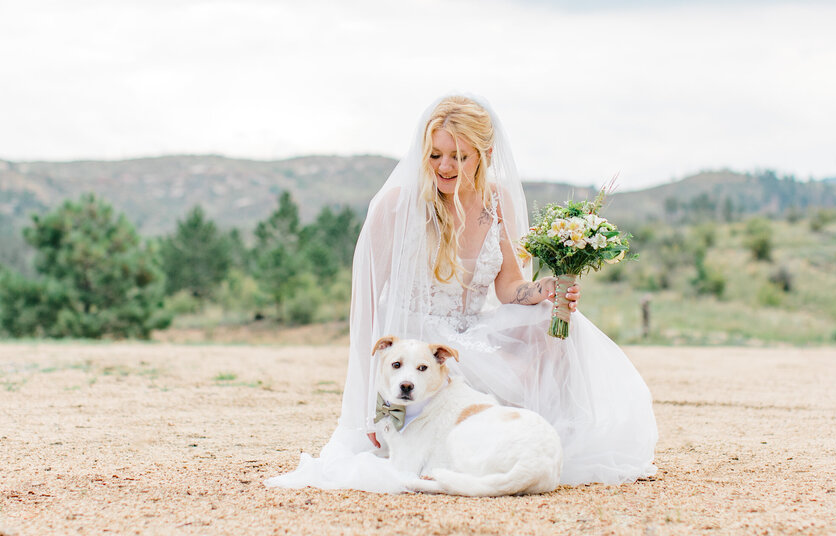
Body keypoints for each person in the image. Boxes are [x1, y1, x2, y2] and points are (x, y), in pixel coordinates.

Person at [266, 94, 657, 493]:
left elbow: (507, 287)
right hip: (420, 348)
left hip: (472, 333)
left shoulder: (497, 201)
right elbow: (365, 307)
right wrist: (372, 400)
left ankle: (536, 441)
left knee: (550, 325)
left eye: (459, 156)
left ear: (485, 154)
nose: (444, 167)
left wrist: (546, 290)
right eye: (435, 155)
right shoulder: (397, 205)